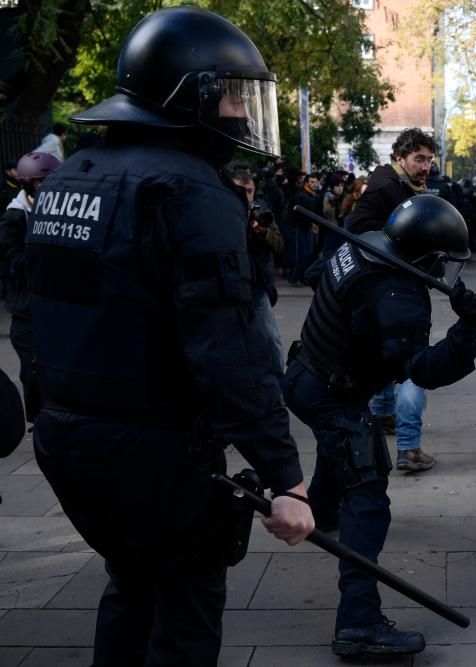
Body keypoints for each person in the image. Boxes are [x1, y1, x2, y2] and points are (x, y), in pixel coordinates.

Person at [24, 8, 314, 664]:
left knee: (130, 585)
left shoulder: (73, 176)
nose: (241, 111)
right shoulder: (188, 190)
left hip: (70, 439)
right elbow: (230, 348)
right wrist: (286, 477)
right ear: (192, 93)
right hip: (153, 451)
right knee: (185, 603)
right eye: (233, 93)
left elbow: (40, 312)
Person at [283, 194, 476, 656]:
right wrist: (466, 331)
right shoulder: (398, 297)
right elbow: (424, 370)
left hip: (307, 373)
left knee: (342, 453)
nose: (443, 273)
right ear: (424, 254)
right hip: (332, 393)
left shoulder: (365, 243)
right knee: (368, 494)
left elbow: (319, 277)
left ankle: (322, 512)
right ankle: (358, 623)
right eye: (441, 262)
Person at [346, 128, 439, 470]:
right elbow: (356, 228)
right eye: (419, 159)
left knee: (387, 355)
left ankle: (384, 415)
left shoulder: (399, 184)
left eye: (429, 159)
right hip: (393, 289)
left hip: (388, 289)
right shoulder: (386, 186)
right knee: (413, 367)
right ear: (401, 158)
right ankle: (410, 449)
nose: (426, 166)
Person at [0, 151, 61, 423]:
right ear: (27, 183)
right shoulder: (15, 215)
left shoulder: (62, 207)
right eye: (40, 182)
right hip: (27, 306)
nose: (47, 187)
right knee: (32, 368)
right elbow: (12, 263)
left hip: (56, 300)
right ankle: (39, 420)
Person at [231, 165, 285, 377]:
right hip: (234, 284)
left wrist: (263, 233)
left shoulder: (262, 209)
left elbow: (280, 245)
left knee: (271, 337)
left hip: (258, 285)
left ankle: (280, 384)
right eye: (241, 191)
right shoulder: (224, 211)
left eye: (250, 191)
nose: (246, 196)